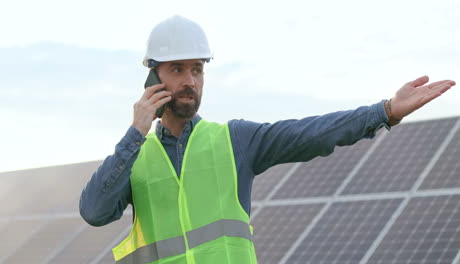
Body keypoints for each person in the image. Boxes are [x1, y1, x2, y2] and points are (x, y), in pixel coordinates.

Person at [79, 15, 456, 264]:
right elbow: (94, 211)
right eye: (177, 69)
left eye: (197, 69)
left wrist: (385, 111)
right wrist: (134, 134)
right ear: (153, 79)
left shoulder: (234, 139)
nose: (191, 81)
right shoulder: (135, 157)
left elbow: (311, 133)